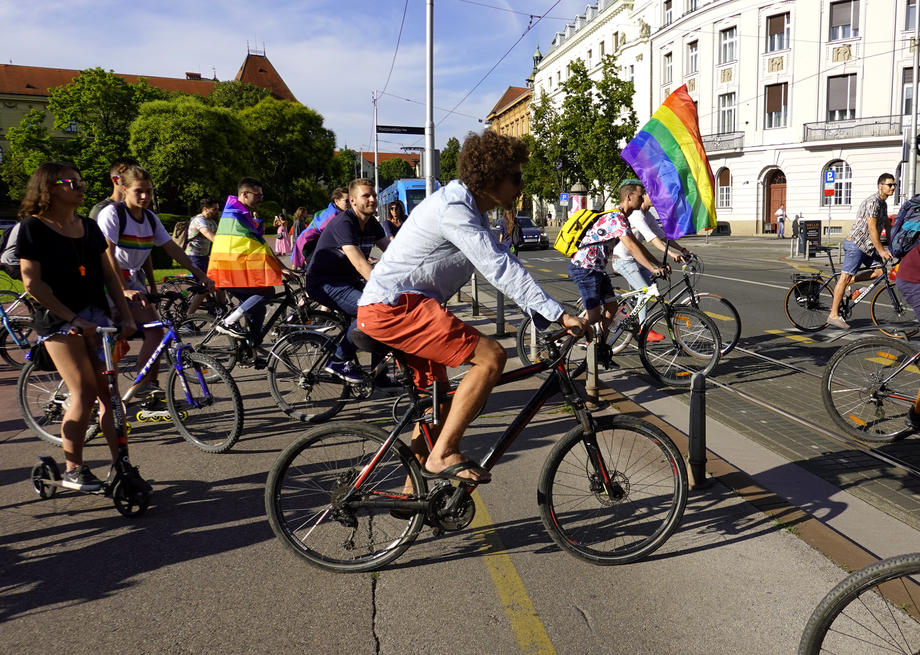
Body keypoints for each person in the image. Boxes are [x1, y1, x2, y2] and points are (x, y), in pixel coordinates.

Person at [357, 130, 588, 483]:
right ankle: (444, 453)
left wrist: (541, 315)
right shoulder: (454, 209)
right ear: (492, 177)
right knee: (492, 356)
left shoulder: (472, 211)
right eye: (516, 177)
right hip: (396, 307)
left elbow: (502, 266)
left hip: (409, 306)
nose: (521, 185)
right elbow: (497, 265)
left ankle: (411, 491)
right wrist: (558, 313)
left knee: (440, 402)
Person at [16, 162, 137, 491]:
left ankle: (122, 466)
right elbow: (33, 284)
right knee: (82, 392)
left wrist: (124, 314)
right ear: (50, 187)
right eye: (73, 182)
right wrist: (72, 318)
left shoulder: (88, 226)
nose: (81, 186)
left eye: (82, 180)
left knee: (109, 396)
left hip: (97, 317)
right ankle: (73, 468)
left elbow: (110, 274)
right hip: (58, 321)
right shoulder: (33, 228)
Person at [97, 165, 214, 392]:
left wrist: (201, 275)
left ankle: (144, 386)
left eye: (149, 191)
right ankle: (96, 391)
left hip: (133, 279)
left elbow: (171, 248)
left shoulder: (150, 218)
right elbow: (106, 252)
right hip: (108, 280)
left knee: (155, 332)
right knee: (112, 336)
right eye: (138, 191)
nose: (145, 196)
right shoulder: (113, 214)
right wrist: (122, 289)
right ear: (124, 190)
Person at [305, 178, 390, 383]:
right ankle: (338, 360)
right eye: (366, 196)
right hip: (325, 283)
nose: (372, 200)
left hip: (347, 281)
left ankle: (379, 375)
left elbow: (394, 252)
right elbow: (361, 264)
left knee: (386, 310)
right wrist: (383, 286)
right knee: (372, 311)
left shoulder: (372, 223)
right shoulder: (345, 223)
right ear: (352, 200)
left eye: (374, 195)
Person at [571, 181, 667, 344]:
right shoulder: (616, 217)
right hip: (585, 268)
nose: (643, 197)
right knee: (594, 316)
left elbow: (637, 245)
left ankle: (600, 348)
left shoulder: (624, 219)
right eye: (640, 194)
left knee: (612, 309)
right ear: (629, 197)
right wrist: (652, 268)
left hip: (597, 270)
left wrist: (657, 263)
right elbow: (630, 246)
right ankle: (567, 337)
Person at [207, 177, 289, 351]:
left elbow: (257, 243)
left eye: (261, 194)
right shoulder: (236, 214)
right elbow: (259, 244)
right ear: (244, 194)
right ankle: (228, 322)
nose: (261, 198)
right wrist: (281, 268)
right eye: (257, 194)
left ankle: (248, 348)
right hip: (229, 270)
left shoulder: (239, 211)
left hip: (230, 267)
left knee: (258, 310)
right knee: (267, 291)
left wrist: (282, 267)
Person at [827, 173, 897, 329]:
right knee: (844, 277)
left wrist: (893, 246)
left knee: (880, 272)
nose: (893, 187)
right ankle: (833, 315)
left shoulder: (883, 204)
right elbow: (872, 229)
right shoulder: (873, 202)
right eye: (890, 185)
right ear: (881, 186)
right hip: (857, 245)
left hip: (868, 247)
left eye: (894, 185)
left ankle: (851, 282)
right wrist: (881, 250)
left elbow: (887, 226)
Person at [612, 191, 689, 327]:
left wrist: (682, 250)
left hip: (636, 258)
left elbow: (662, 236)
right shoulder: (636, 215)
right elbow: (651, 238)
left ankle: (628, 314)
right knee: (646, 291)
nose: (656, 198)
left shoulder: (648, 215)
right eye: (650, 195)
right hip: (623, 259)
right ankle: (644, 329)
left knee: (652, 286)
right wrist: (671, 254)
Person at [292, 187, 349, 269]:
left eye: (351, 200)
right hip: (308, 242)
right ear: (336, 201)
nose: (350, 203)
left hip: (309, 240)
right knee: (315, 268)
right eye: (346, 201)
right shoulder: (333, 214)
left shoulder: (332, 210)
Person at [185, 197, 225, 314]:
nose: (217, 211)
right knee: (205, 286)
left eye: (217, 209)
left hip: (204, 257)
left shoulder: (211, 221)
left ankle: (221, 311)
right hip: (193, 257)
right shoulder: (199, 221)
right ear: (205, 209)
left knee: (220, 282)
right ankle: (188, 318)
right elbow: (210, 236)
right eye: (214, 209)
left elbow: (221, 236)